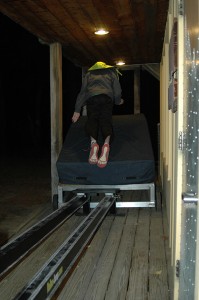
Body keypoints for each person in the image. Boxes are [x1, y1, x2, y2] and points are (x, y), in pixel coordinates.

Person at [72, 61, 124, 168]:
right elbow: (117, 91)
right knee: (106, 120)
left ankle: (94, 144)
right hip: (107, 97)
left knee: (92, 120)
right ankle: (106, 144)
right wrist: (118, 101)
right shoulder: (111, 73)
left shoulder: (89, 74)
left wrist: (77, 110)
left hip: (92, 97)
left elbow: (82, 92)